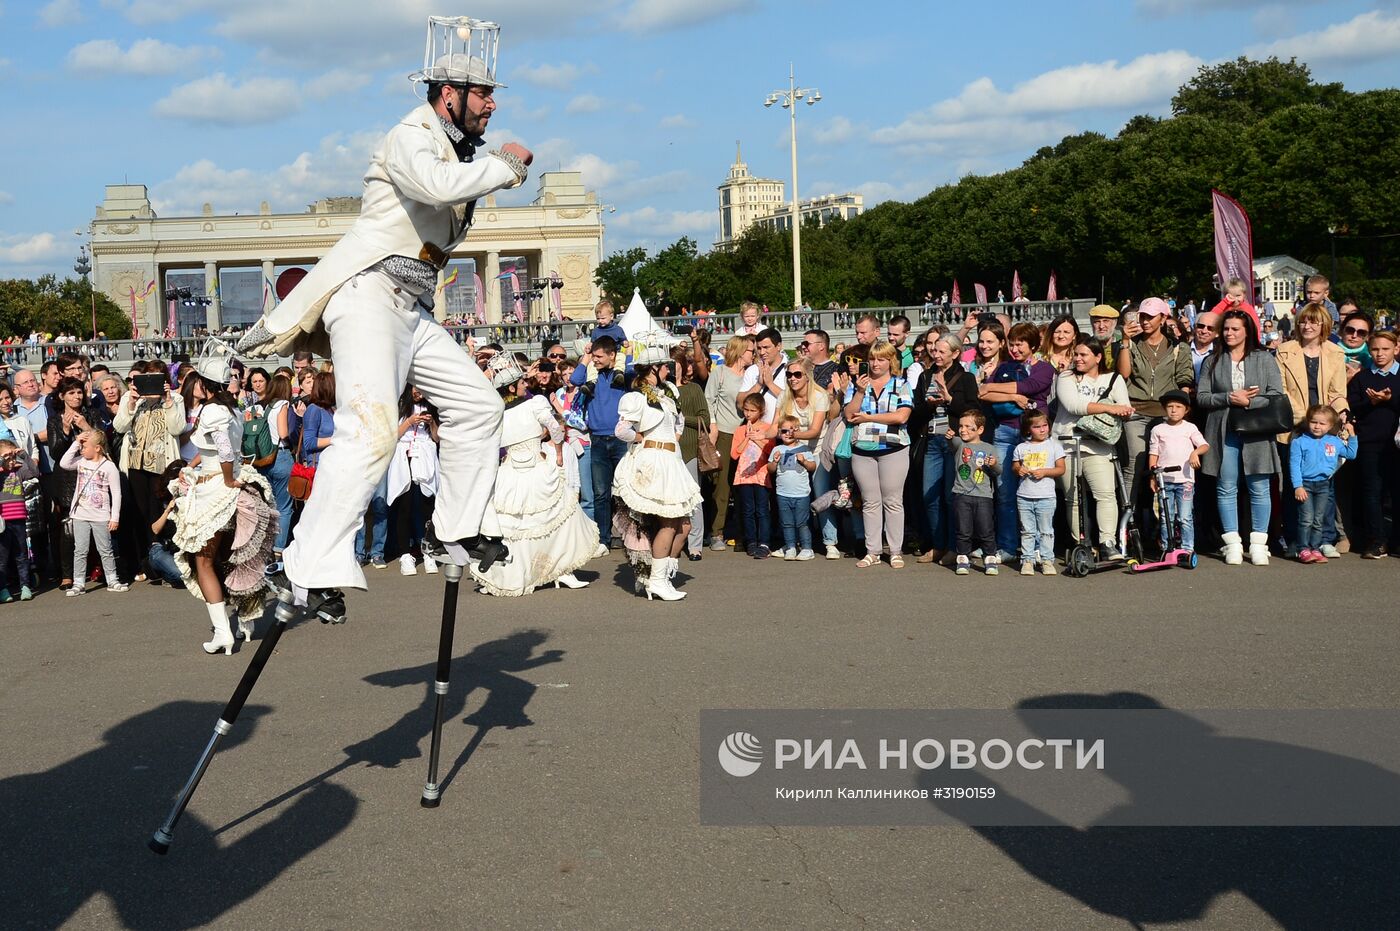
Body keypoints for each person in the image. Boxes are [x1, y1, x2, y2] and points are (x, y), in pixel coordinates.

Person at [235, 25, 530, 613]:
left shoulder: (454, 147)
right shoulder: (410, 135)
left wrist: (487, 163)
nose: (493, 104)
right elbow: (435, 186)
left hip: (409, 308)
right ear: (448, 94)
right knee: (368, 433)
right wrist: (504, 167)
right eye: (483, 94)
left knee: (479, 405)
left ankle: (455, 528)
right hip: (369, 295)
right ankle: (307, 565)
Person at [167, 342, 279, 654]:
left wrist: (228, 479)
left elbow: (225, 451)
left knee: (203, 560)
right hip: (224, 481)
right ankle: (244, 620)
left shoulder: (212, 411)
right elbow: (219, 450)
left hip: (217, 489)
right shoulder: (231, 410)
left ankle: (222, 633)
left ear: (204, 384)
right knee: (232, 557)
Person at [470, 357, 597, 595]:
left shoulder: (495, 414)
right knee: (542, 521)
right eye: (521, 383)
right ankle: (549, 572)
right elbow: (557, 429)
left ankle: (555, 571)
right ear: (511, 387)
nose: (526, 385)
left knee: (529, 522)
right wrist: (557, 451)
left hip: (510, 472)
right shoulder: (532, 404)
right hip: (533, 468)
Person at [1196, 310, 1285, 566]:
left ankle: (1259, 544)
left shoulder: (1264, 358)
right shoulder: (1213, 360)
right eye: (1226, 329)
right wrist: (1228, 398)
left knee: (1259, 486)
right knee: (1226, 486)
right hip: (1222, 429)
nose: (1229, 333)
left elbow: (1275, 393)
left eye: (1235, 329)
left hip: (1257, 429)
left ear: (1248, 331)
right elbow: (1202, 397)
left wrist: (1249, 401)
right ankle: (1232, 544)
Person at [611, 350, 702, 600]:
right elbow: (621, 429)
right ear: (653, 368)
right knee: (668, 523)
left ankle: (662, 574)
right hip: (653, 462)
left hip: (671, 461)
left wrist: (673, 442)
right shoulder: (637, 397)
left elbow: (679, 423)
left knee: (684, 524)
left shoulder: (667, 393)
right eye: (664, 366)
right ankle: (657, 581)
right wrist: (641, 438)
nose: (668, 371)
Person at [1117, 297, 1196, 537]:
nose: (1144, 321)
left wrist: (1182, 413)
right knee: (1134, 464)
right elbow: (1123, 374)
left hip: (1166, 415)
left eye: (1150, 316)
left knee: (1168, 469)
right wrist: (1125, 341)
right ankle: (1127, 522)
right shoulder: (1131, 344)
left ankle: (1171, 526)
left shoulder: (1178, 347)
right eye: (1142, 316)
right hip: (1137, 411)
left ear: (1163, 318)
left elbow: (1184, 379)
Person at [1275, 303, 1349, 556]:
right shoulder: (1285, 351)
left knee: (1325, 487)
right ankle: (1295, 539)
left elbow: (1338, 393)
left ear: (1324, 325)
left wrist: (1341, 413)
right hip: (1295, 427)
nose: (1308, 326)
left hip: (1325, 428)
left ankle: (1325, 538)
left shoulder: (1336, 353)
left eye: (1314, 322)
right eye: (1304, 321)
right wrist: (1306, 418)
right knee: (1294, 486)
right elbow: (1281, 391)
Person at [977, 322, 1055, 561]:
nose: (1015, 349)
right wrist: (1010, 395)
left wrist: (992, 386)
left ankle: (1042, 547)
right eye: (1012, 344)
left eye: (1020, 344)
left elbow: (1031, 386)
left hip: (1034, 435)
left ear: (1033, 344)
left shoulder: (1044, 368)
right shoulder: (1004, 367)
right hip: (1005, 431)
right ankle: (1008, 546)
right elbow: (982, 393)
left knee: (1038, 493)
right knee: (1004, 491)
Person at [1053, 337, 1134, 561]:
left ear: (1098, 357)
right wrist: (1110, 408)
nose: (1077, 359)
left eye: (1083, 355)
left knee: (1106, 494)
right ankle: (1082, 543)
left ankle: (1108, 542)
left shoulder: (1113, 378)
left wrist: (1124, 411)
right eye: (1076, 354)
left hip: (1099, 445)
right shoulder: (1066, 377)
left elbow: (1126, 409)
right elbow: (1073, 406)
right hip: (1068, 444)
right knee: (1073, 498)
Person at [843, 341, 914, 568]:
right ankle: (872, 550)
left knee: (893, 500)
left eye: (881, 359)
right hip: (862, 448)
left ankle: (895, 550)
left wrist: (869, 418)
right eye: (872, 359)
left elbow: (902, 416)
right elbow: (849, 414)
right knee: (870, 501)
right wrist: (861, 391)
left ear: (890, 361)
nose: (875, 363)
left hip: (893, 447)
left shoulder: (901, 384)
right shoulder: (858, 385)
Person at [912, 335, 980, 565]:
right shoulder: (925, 376)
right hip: (931, 440)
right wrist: (928, 405)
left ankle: (955, 546)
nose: (936, 354)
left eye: (942, 351)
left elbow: (973, 411)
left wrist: (949, 399)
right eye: (934, 350)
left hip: (954, 442)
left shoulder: (966, 378)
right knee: (929, 496)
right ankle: (937, 545)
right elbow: (916, 411)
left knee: (953, 497)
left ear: (955, 353)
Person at [570, 335, 632, 549]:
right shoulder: (591, 376)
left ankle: (631, 537)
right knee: (601, 493)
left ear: (612, 355)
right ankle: (602, 538)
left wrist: (627, 352)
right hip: (597, 440)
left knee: (626, 490)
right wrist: (586, 358)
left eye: (599, 356)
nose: (595, 359)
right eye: (593, 355)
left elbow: (633, 371)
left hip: (620, 440)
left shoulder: (621, 376)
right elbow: (575, 380)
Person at [1345, 330, 1400, 558]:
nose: (1380, 354)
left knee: (1397, 492)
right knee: (1372, 492)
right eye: (1375, 349)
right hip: (1369, 443)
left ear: (1396, 349)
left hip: (1396, 444)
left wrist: (1390, 399)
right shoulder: (1363, 377)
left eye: (1385, 349)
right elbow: (1353, 404)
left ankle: (1397, 540)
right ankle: (1377, 539)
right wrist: (1372, 401)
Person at [59, 429, 126, 596]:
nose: (82, 450)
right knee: (80, 550)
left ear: (97, 448)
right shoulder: (81, 461)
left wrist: (114, 517)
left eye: (85, 446)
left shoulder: (109, 466)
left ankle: (112, 580)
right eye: (81, 447)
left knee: (105, 549)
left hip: (101, 516)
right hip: (80, 514)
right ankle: (79, 583)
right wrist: (76, 442)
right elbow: (64, 463)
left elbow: (116, 493)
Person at [703, 335, 752, 551]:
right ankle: (717, 532)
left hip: (747, 432)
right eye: (751, 350)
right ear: (740, 352)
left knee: (744, 484)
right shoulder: (720, 372)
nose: (754, 353)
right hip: (724, 432)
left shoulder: (752, 375)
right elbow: (709, 400)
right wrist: (713, 426)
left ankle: (743, 532)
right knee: (722, 485)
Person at [1290, 405, 1356, 563]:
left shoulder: (1334, 441)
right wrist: (1297, 486)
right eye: (1314, 422)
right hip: (1305, 484)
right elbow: (1294, 465)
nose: (1317, 426)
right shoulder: (1299, 442)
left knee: (1319, 519)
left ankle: (1315, 548)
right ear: (1308, 422)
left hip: (1323, 485)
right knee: (1306, 518)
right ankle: (1303, 549)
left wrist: (1352, 436)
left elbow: (1351, 454)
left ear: (1331, 426)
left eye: (1322, 423)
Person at [1147, 390, 1210, 556]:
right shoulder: (1158, 429)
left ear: (1186, 410)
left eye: (1178, 406)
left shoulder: (1190, 428)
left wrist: (1195, 453)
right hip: (1164, 480)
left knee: (1185, 517)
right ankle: (1167, 548)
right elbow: (1153, 453)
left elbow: (1204, 445)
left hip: (1185, 480)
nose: (1174, 410)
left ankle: (1187, 549)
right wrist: (1153, 475)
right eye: (1170, 406)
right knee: (1165, 516)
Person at [387, 385, 439, 575]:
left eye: (422, 390)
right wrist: (409, 421)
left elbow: (436, 437)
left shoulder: (431, 405)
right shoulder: (399, 405)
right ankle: (405, 554)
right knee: (404, 507)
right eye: (415, 389)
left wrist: (432, 422)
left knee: (428, 506)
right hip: (404, 457)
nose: (419, 393)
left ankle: (428, 551)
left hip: (424, 456)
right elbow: (392, 436)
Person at [1011, 409, 1065, 575]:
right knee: (1027, 530)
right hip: (1024, 495)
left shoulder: (1054, 445)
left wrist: (1044, 472)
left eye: (1045, 425)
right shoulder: (1021, 447)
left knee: (1046, 530)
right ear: (1028, 430)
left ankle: (1047, 560)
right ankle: (1027, 560)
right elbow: (1015, 466)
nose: (1042, 429)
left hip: (1046, 496)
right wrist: (1019, 469)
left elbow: (1061, 469)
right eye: (1037, 427)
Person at [669, 347, 710, 559]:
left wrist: (682, 417)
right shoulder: (661, 391)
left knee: (693, 498)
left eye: (674, 363)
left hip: (689, 450)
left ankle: (695, 544)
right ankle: (671, 542)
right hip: (666, 452)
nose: (670, 367)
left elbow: (705, 420)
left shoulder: (693, 389)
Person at [948, 410, 1001, 576]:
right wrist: (949, 436)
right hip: (961, 495)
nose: (963, 430)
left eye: (968, 427)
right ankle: (963, 559)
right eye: (961, 426)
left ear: (980, 430)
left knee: (986, 530)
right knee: (963, 530)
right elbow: (952, 441)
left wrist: (993, 464)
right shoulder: (960, 445)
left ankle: (990, 559)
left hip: (984, 496)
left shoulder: (989, 448)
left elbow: (999, 471)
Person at [767, 414, 816, 560]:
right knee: (787, 523)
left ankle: (807, 548)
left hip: (801, 494)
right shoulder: (777, 449)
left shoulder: (804, 448)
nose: (787, 434)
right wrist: (775, 462)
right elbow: (770, 469)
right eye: (783, 431)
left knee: (802, 523)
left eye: (791, 430)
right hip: (783, 493)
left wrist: (804, 461)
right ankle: (790, 547)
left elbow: (813, 466)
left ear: (797, 431)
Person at [731, 394, 774, 558]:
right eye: (746, 410)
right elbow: (734, 454)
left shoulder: (768, 429)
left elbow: (770, 451)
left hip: (761, 476)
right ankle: (751, 541)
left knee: (762, 510)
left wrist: (757, 438)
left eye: (752, 410)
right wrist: (747, 437)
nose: (748, 414)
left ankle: (764, 542)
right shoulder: (740, 430)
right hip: (744, 476)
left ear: (761, 411)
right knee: (747, 510)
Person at [0, 439, 37, 601]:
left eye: (12, 455)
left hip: (19, 519)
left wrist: (23, 455)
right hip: (2, 522)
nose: (11, 460)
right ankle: (3, 589)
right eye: (6, 456)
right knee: (2, 558)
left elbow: (35, 473)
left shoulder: (19, 470)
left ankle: (25, 586)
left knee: (21, 554)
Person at [1088, 305, 1121, 371]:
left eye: (1106, 321)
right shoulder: (1087, 345)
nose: (1101, 326)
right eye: (1097, 322)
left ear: (1114, 323)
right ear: (1091, 324)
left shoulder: (1122, 343)